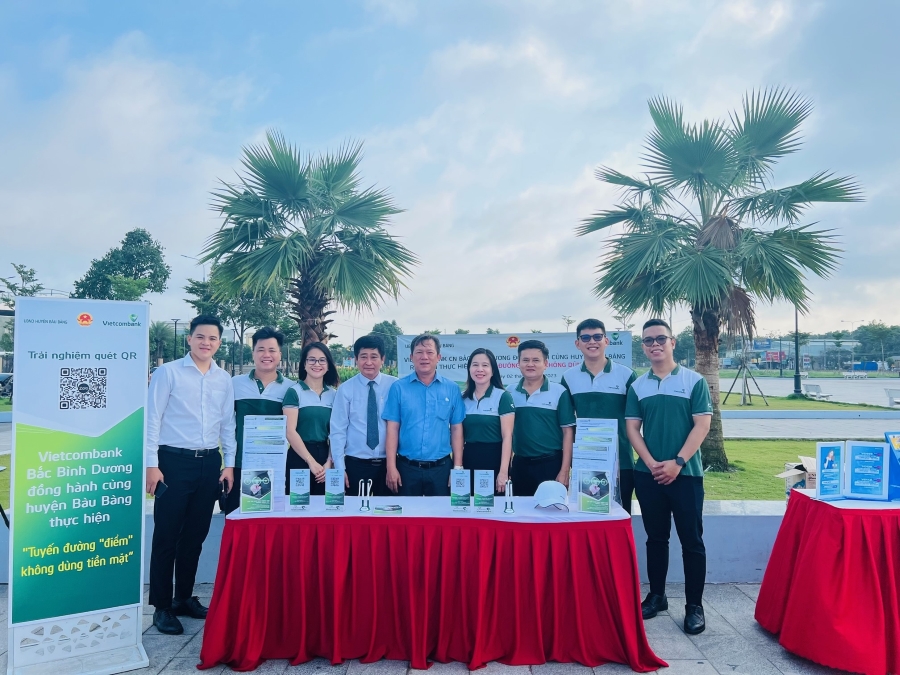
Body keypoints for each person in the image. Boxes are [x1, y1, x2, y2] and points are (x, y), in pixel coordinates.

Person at [145, 315, 236, 636]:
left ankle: (183, 597)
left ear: (219, 343)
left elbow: (227, 424)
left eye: (212, 338)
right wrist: (151, 465)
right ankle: (161, 606)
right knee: (166, 536)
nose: (205, 343)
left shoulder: (223, 379)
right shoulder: (168, 373)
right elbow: (152, 420)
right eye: (200, 337)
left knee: (195, 536)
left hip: (209, 463)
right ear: (189, 339)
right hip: (172, 462)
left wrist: (229, 464)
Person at [625, 318, 712, 636]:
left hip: (686, 474)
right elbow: (632, 429)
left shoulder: (693, 381)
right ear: (643, 347)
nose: (655, 344)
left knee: (692, 541)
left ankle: (694, 606)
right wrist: (650, 463)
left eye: (660, 338)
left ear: (672, 342)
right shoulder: (638, 386)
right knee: (656, 539)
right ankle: (657, 596)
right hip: (648, 475)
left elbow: (702, 425)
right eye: (648, 340)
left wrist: (677, 462)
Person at [561, 319, 638, 513]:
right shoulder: (569, 377)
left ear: (606, 341)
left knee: (620, 515)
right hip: (585, 462)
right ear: (577, 343)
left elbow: (635, 422)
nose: (592, 342)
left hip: (621, 462)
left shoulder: (626, 375)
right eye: (585, 338)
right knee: (587, 515)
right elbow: (567, 425)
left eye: (597, 336)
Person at [384, 334, 465, 496]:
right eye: (419, 352)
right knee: (406, 512)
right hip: (406, 469)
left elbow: (456, 429)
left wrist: (457, 468)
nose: (424, 357)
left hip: (441, 469)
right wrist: (391, 467)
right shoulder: (398, 388)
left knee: (442, 512)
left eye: (429, 352)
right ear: (411, 357)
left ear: (439, 357)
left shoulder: (452, 388)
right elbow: (392, 429)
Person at [225, 326, 294, 515]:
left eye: (272, 350)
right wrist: (228, 465)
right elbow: (226, 425)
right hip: (241, 466)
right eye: (261, 349)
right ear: (253, 353)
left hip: (275, 468)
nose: (266, 355)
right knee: (238, 520)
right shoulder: (234, 384)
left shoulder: (291, 388)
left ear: (280, 354)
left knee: (271, 521)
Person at [506, 339, 575, 497]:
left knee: (551, 510)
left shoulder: (559, 392)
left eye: (536, 360)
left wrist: (564, 470)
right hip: (520, 464)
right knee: (520, 510)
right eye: (525, 360)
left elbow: (568, 433)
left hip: (550, 464)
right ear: (518, 363)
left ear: (546, 364)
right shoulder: (509, 392)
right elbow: (506, 433)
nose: (530, 364)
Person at [330, 335, 397, 496]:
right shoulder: (346, 389)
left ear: (382, 359)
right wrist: (340, 468)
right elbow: (338, 430)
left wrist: (393, 466)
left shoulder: (395, 386)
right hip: (355, 464)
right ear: (356, 359)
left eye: (374, 357)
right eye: (363, 357)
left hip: (388, 465)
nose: (368, 362)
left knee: (387, 510)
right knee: (355, 510)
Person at [282, 342, 339, 495]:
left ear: (328, 365)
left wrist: (329, 462)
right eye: (312, 360)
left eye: (322, 360)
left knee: (324, 506)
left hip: (325, 457)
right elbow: (290, 431)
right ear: (304, 364)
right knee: (298, 505)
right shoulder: (294, 392)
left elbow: (336, 432)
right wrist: (311, 462)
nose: (317, 364)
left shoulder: (334, 394)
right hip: (299, 456)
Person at [461, 348, 515, 494]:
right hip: (469, 459)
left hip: (494, 460)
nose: (480, 369)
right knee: (468, 504)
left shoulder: (503, 396)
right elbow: (458, 434)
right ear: (469, 369)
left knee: (493, 505)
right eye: (475, 365)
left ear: (493, 370)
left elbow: (507, 437)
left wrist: (503, 471)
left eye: (485, 365)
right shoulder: (462, 398)